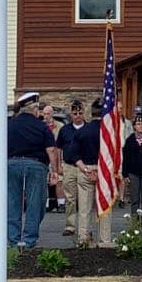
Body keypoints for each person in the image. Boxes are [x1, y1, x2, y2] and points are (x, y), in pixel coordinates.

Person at [7, 92, 58, 248]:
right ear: (34, 109)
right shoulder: (41, 126)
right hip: (36, 165)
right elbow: (51, 150)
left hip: (12, 164)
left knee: (12, 202)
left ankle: (13, 239)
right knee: (35, 203)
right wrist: (55, 170)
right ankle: (29, 239)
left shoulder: (10, 124)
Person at [70, 98, 112, 245]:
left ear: (91, 113)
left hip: (86, 169)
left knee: (84, 208)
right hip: (104, 170)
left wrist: (86, 169)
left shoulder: (82, 131)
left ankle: (83, 238)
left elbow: (73, 155)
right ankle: (105, 239)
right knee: (104, 207)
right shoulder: (108, 133)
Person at [55, 100, 86, 237]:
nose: (78, 116)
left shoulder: (88, 128)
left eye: (80, 113)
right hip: (69, 166)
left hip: (85, 166)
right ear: (71, 114)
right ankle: (70, 226)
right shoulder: (65, 130)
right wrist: (58, 166)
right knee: (70, 198)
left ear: (83, 113)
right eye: (75, 113)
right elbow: (58, 149)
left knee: (85, 199)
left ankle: (85, 227)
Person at [42, 105, 64, 212]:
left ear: (52, 114)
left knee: (59, 180)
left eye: (48, 114)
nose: (46, 116)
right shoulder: (40, 126)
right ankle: (45, 204)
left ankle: (61, 204)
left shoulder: (60, 126)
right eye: (44, 114)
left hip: (58, 156)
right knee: (44, 181)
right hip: (45, 157)